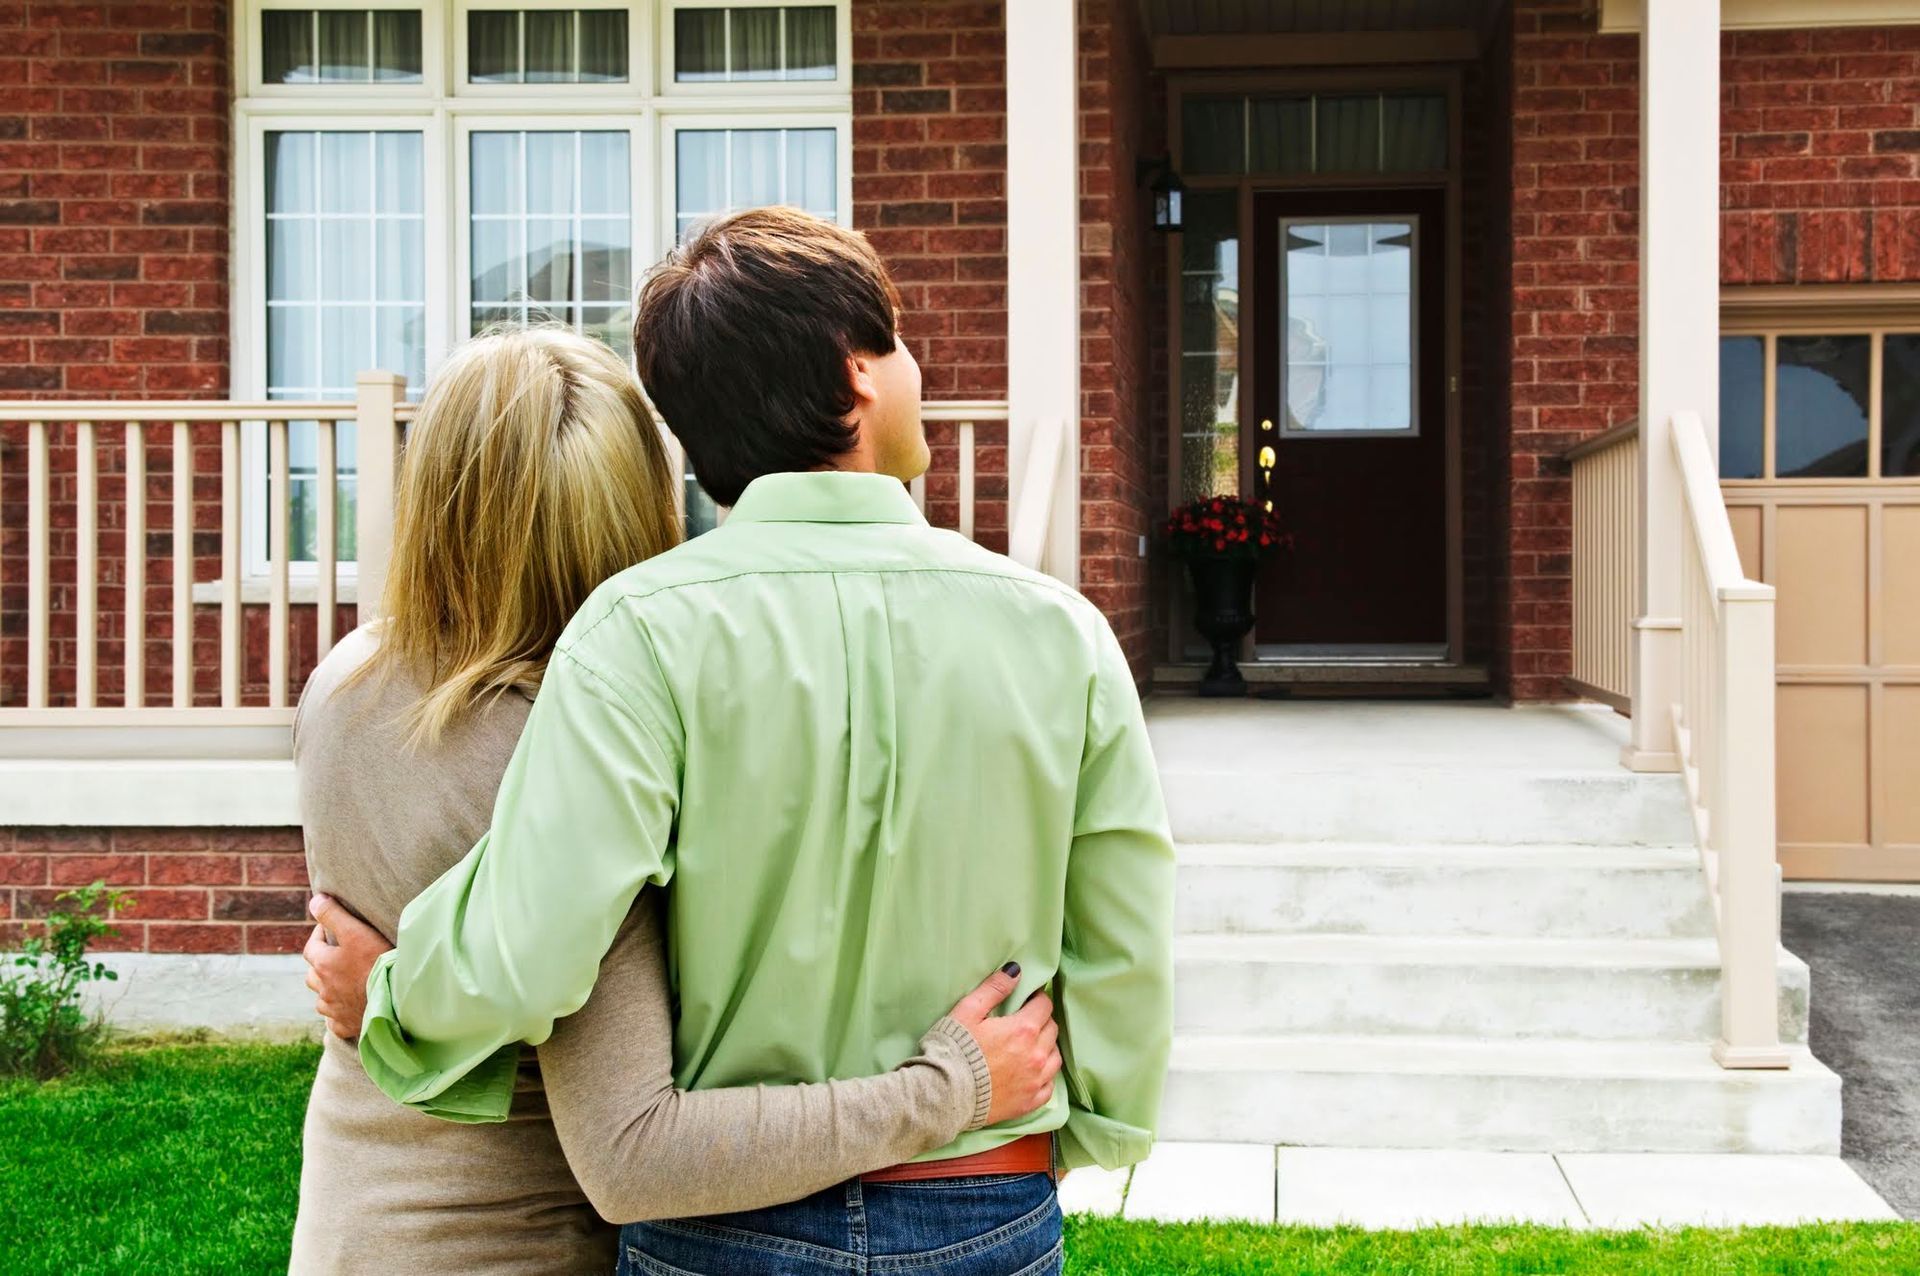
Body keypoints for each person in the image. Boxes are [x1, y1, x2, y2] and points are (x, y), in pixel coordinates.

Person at [310, 208, 1177, 1276]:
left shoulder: (635, 634)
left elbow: (530, 945)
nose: (914, 365)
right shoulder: (1063, 635)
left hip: (725, 1229)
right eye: (898, 341)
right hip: (979, 1193)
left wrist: (394, 996)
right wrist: (1080, 1133)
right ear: (856, 376)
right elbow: (1123, 942)